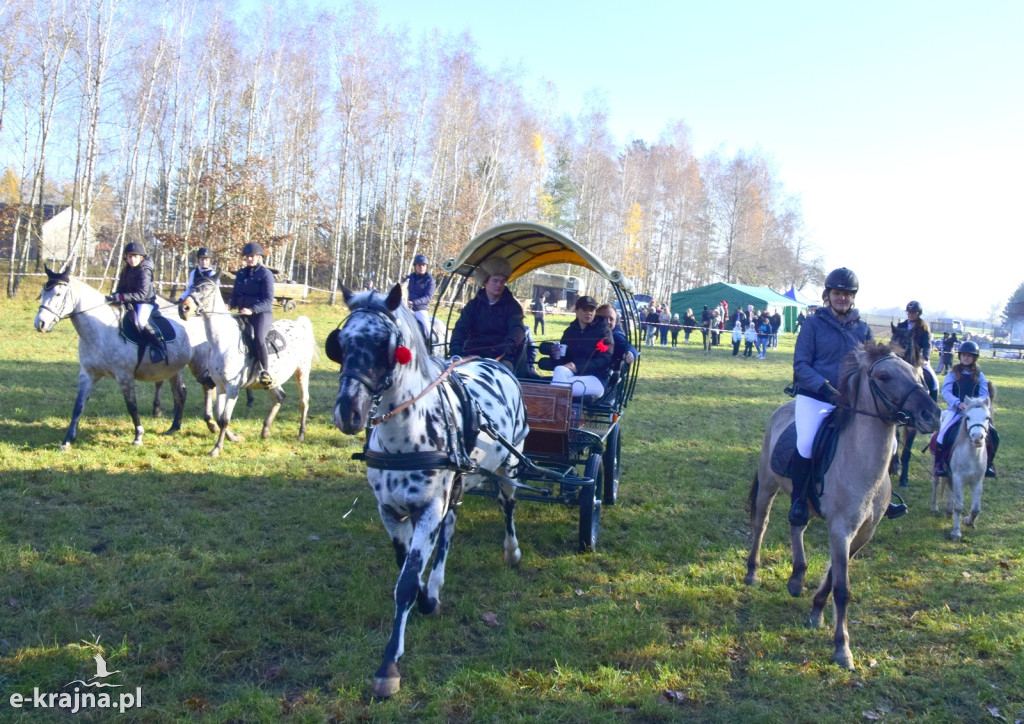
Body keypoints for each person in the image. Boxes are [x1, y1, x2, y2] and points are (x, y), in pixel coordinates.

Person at [788, 267, 906, 526]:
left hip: (853, 401)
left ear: (853, 297)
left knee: (891, 444)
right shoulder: (813, 324)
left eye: (847, 294)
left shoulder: (862, 329)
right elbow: (801, 365)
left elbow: (873, 366)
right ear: (827, 295)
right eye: (837, 293)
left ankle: (882, 497)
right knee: (806, 442)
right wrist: (824, 387)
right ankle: (799, 500)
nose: (842, 298)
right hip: (816, 396)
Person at [933, 340, 999, 477]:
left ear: (974, 357)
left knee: (994, 435)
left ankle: (988, 464)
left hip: (974, 413)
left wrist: (975, 405)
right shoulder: (952, 373)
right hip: (956, 411)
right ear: (960, 356)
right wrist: (958, 403)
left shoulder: (980, 375)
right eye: (963, 355)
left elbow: (984, 393)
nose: (966, 358)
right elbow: (946, 391)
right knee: (941, 435)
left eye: (969, 355)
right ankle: (939, 464)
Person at [448, 256, 525, 365]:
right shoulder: (473, 305)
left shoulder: (513, 307)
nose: (499, 285)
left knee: (506, 368)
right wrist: (456, 348)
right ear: (485, 281)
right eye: (495, 281)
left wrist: (505, 349)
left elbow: (517, 330)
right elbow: (461, 328)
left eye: (502, 282)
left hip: (500, 357)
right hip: (470, 354)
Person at [107, 241, 163, 363]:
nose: (132, 260)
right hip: (130, 301)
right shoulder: (126, 270)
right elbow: (121, 288)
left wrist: (121, 298)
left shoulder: (145, 270)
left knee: (141, 321)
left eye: (135, 257)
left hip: (145, 302)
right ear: (126, 257)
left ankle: (159, 348)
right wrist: (114, 296)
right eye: (129, 257)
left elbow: (142, 294)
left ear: (141, 258)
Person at [229, 241, 275, 386]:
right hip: (242, 313)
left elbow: (268, 300)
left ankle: (265, 371)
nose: (249, 259)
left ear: (259, 257)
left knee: (259, 339)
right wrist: (229, 304)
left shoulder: (265, 274)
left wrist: (252, 310)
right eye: (247, 256)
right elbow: (236, 295)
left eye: (252, 256)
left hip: (261, 314)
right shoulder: (241, 273)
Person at [551, 296, 614, 397]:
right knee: (559, 370)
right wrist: (555, 355)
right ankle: (560, 409)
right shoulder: (570, 332)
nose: (588, 313)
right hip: (573, 376)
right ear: (576, 310)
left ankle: (554, 408)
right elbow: (563, 360)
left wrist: (577, 367)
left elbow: (604, 360)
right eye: (584, 310)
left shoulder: (604, 331)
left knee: (560, 388)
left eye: (591, 310)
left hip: (596, 378)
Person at [894, 300, 939, 400]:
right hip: (901, 357)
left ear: (918, 313)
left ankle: (933, 400)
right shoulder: (901, 326)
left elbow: (927, 345)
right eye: (909, 312)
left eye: (913, 312)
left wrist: (925, 358)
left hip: (918, 359)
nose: (911, 314)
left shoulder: (924, 328)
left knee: (934, 381)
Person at [403, 253, 435, 339]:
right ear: (415, 266)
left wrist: (413, 302)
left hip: (420, 309)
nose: (422, 267)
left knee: (428, 330)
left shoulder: (429, 279)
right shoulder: (408, 278)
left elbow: (428, 296)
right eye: (419, 265)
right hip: (406, 308)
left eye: (423, 265)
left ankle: (431, 349)